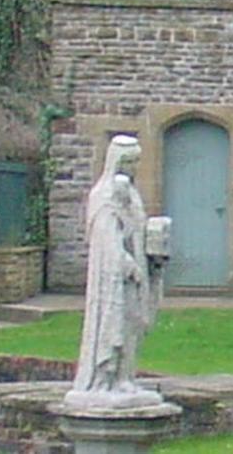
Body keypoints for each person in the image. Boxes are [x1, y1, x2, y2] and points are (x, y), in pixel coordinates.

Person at [63, 135, 164, 410]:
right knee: (114, 322)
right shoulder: (103, 195)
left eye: (136, 162)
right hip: (113, 277)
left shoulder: (130, 193)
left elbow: (136, 230)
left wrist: (154, 250)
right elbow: (106, 237)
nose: (133, 167)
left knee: (132, 323)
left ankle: (125, 378)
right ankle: (104, 378)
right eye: (129, 162)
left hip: (136, 272)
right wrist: (123, 260)